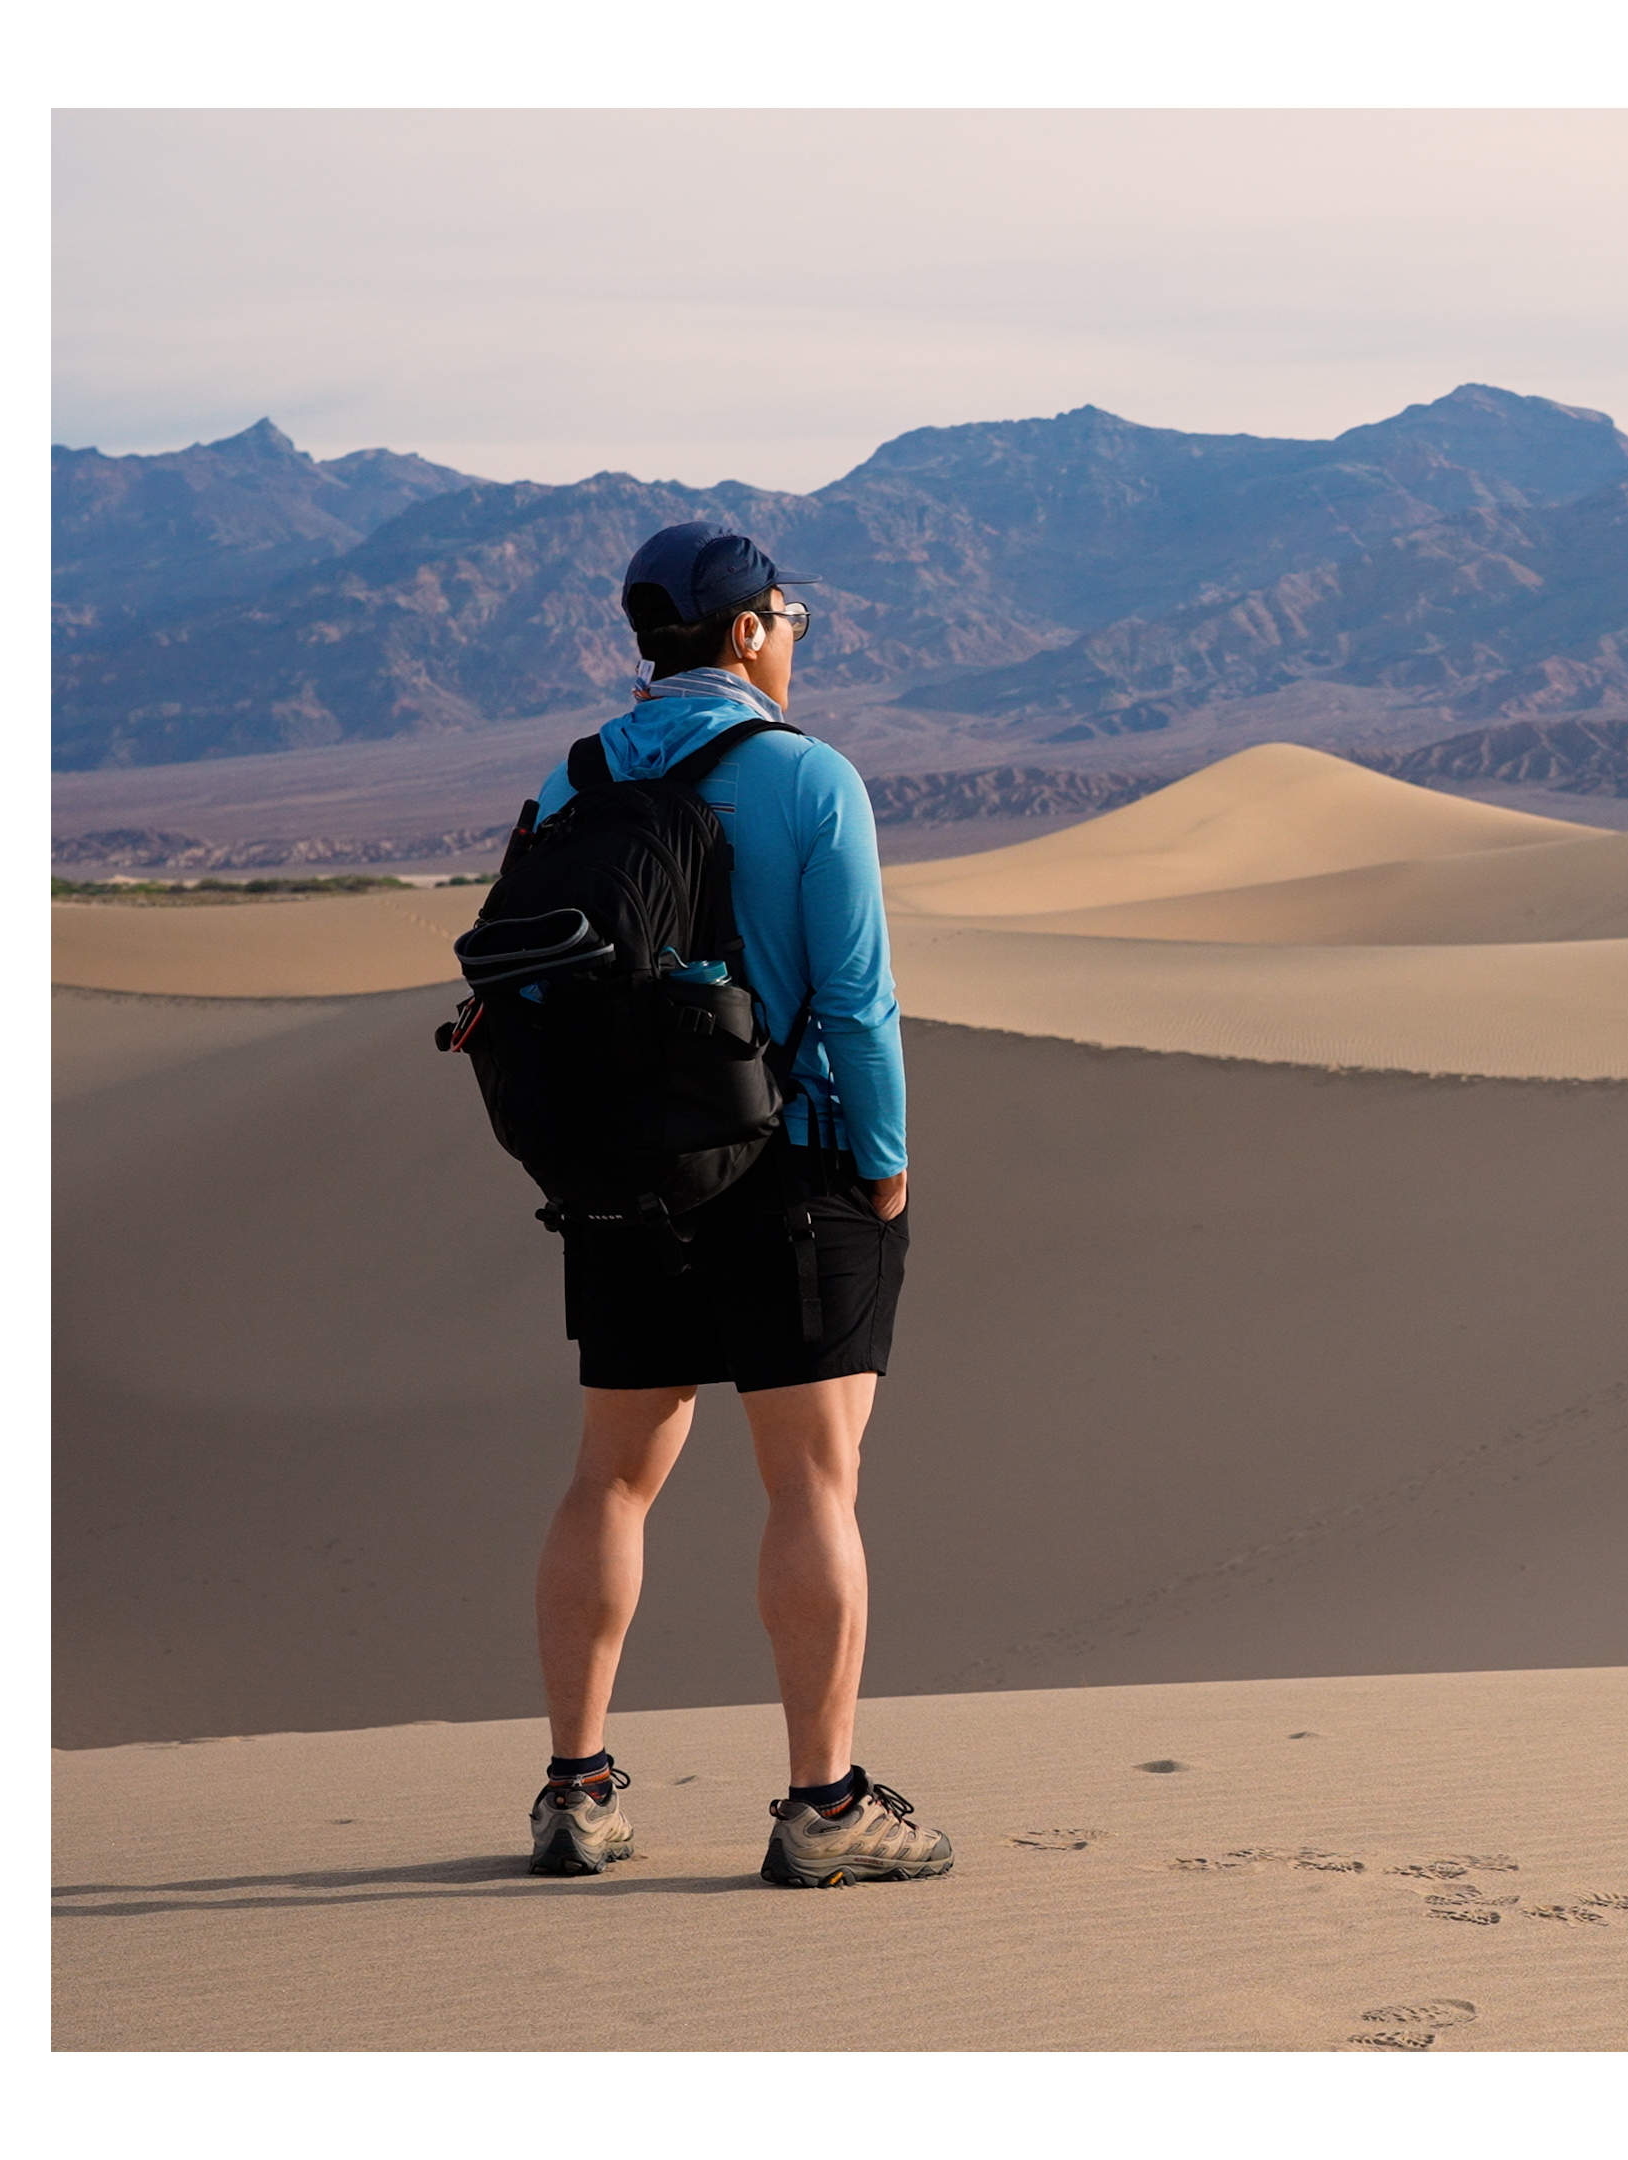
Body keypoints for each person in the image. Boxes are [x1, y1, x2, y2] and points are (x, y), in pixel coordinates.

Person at [520, 520, 951, 1888]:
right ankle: (825, 1807)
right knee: (812, 1480)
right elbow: (859, 998)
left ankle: (575, 1792)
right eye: (789, 619)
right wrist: (884, 1160)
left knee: (609, 1477)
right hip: (791, 1163)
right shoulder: (808, 776)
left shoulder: (577, 773)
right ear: (751, 627)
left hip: (622, 1175)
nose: (793, 641)